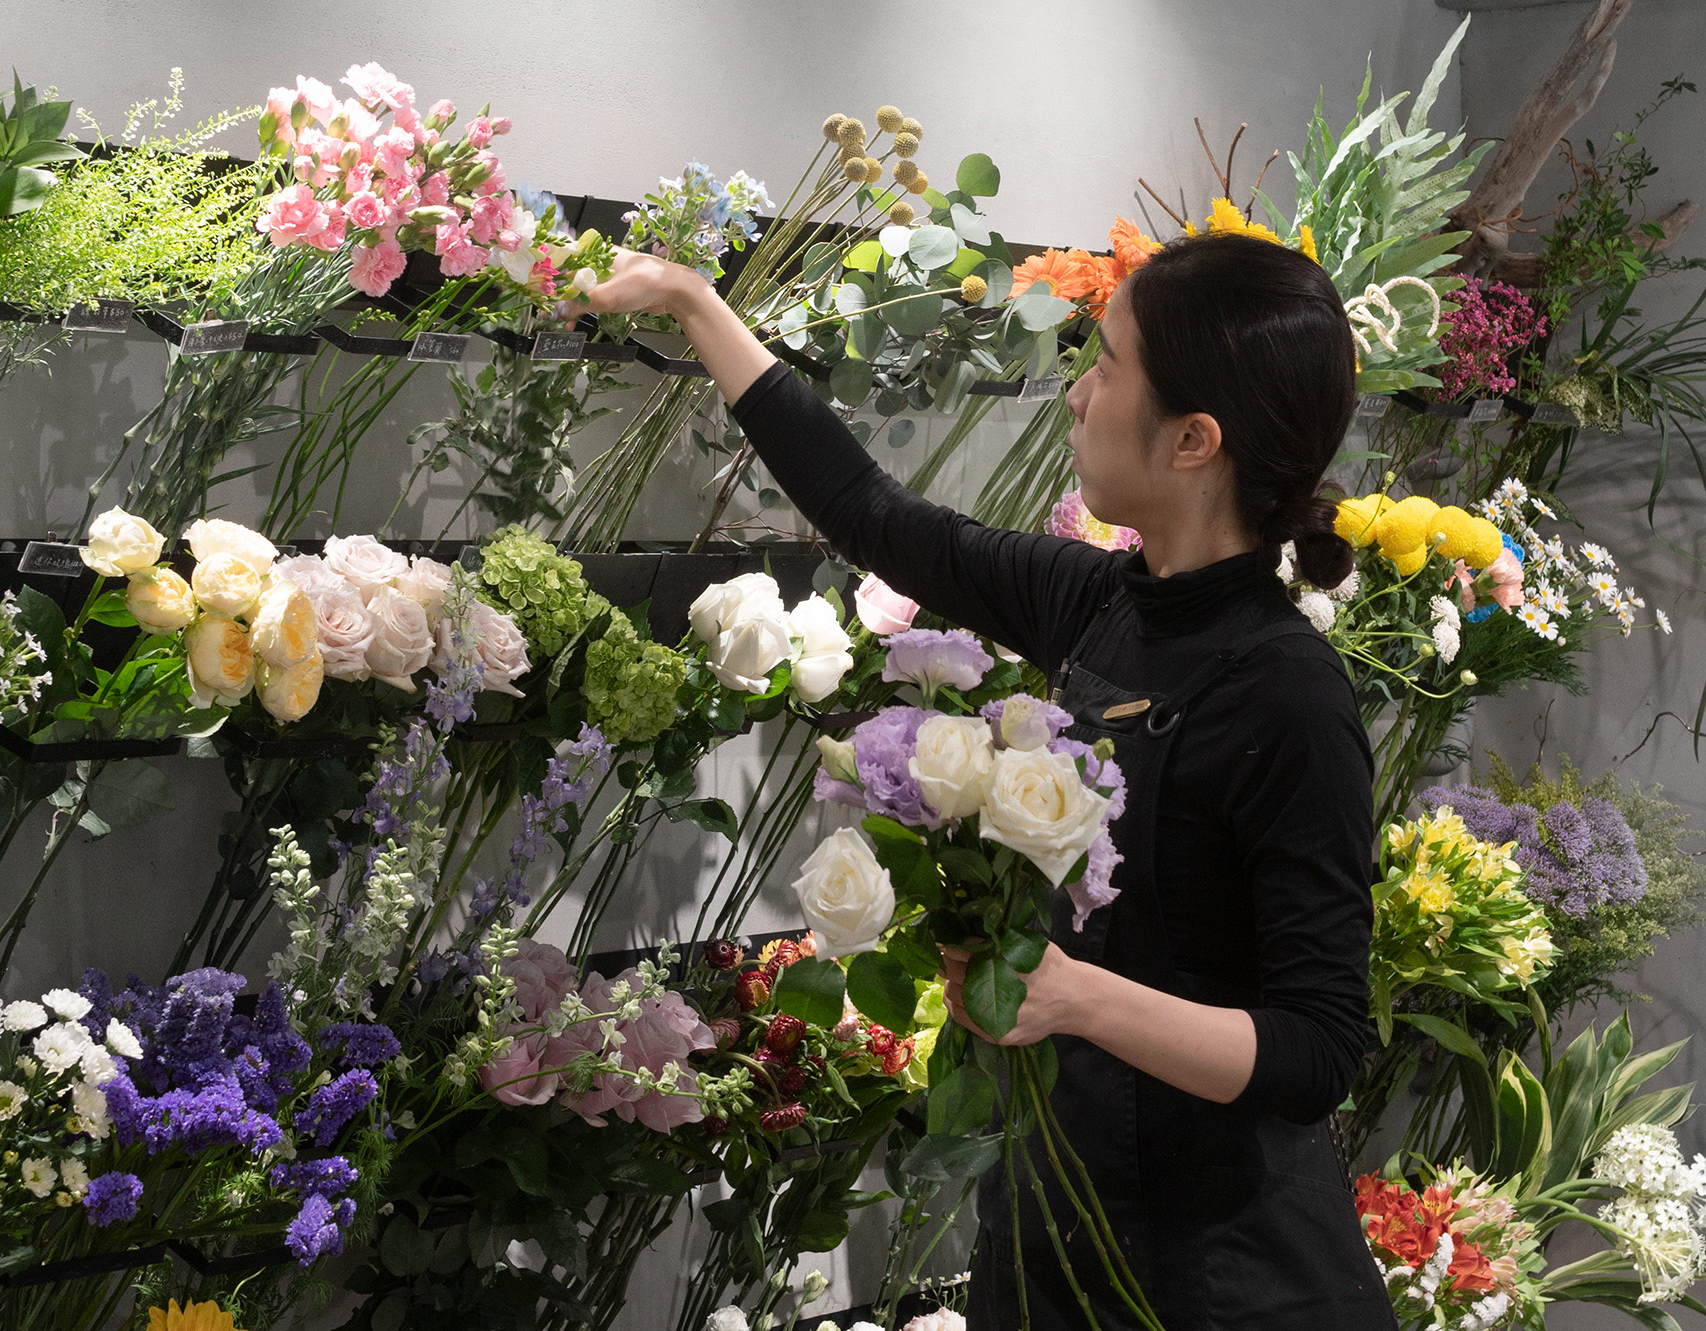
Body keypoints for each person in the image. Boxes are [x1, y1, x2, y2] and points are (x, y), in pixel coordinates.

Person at [579, 232, 1394, 1329]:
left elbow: (1313, 1052)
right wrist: (692, 302)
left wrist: (1072, 996)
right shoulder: (1098, 599)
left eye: (1105, 364)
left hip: (1218, 1269)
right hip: (1058, 1206)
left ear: (1193, 439)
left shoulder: (1286, 697)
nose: (1075, 393)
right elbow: (876, 517)